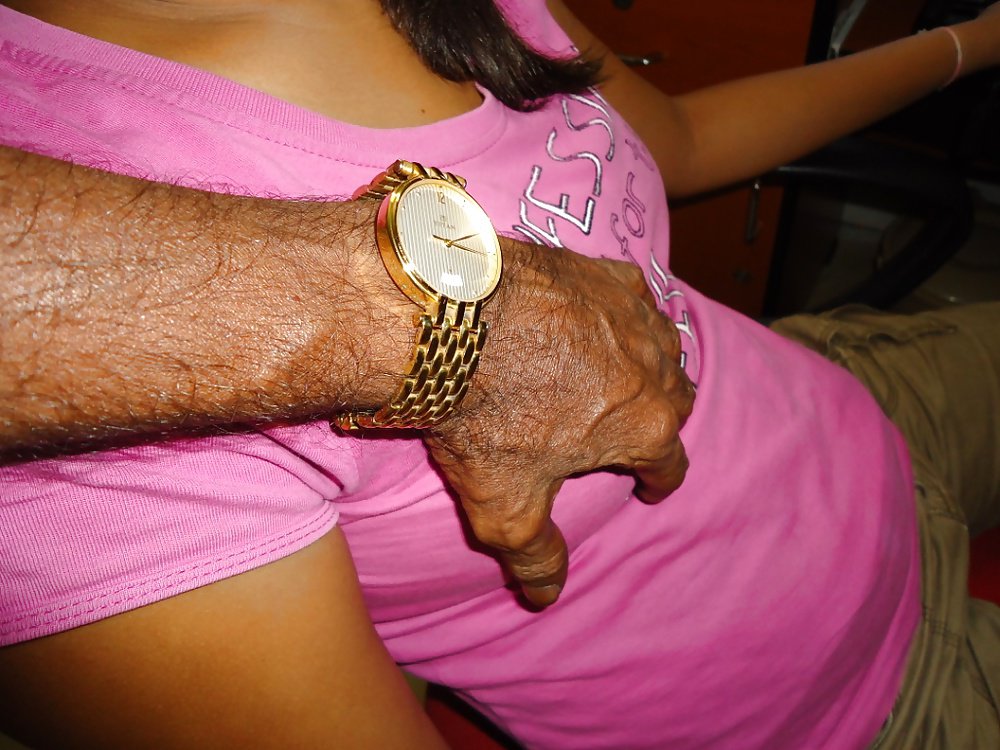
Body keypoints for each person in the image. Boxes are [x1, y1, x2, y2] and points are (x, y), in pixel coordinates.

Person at [0, 0, 997, 747]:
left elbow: (682, 139)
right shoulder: (71, 401)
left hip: (850, 395)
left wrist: (966, 44)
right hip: (866, 702)